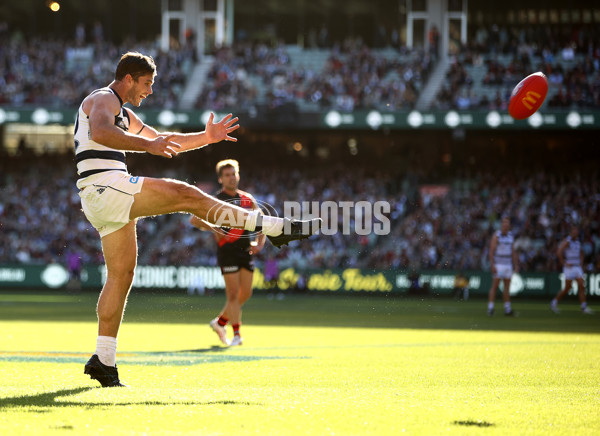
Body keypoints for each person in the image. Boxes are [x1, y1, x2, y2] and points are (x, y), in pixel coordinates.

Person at [77, 52, 321, 387]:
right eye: (146, 84)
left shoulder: (124, 112)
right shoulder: (104, 98)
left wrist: (206, 138)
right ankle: (273, 227)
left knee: (121, 276)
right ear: (129, 78)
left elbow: (164, 141)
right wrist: (147, 148)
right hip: (105, 186)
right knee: (186, 195)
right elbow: (101, 132)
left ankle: (103, 361)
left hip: (101, 197)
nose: (148, 92)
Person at [190, 159, 265, 346]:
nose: (232, 178)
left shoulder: (247, 199)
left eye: (234, 174)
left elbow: (262, 221)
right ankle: (237, 334)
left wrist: (259, 244)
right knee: (232, 294)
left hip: (246, 250)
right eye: (227, 175)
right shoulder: (215, 200)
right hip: (227, 251)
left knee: (245, 294)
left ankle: (220, 322)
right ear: (220, 179)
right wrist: (214, 228)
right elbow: (194, 219)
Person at [550, 226, 594, 315]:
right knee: (567, 288)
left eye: (577, 231)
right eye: (574, 232)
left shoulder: (578, 241)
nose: (576, 233)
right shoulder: (568, 241)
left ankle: (583, 307)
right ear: (571, 232)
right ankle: (554, 302)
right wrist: (564, 263)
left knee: (582, 285)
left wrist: (581, 262)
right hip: (569, 268)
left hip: (577, 267)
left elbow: (581, 252)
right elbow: (559, 252)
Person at [487, 217, 518, 316]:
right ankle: (490, 307)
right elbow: (491, 251)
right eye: (504, 224)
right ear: (501, 225)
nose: (505, 226)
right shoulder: (497, 235)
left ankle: (507, 309)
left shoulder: (510, 236)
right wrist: (492, 264)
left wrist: (516, 265)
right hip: (499, 264)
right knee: (495, 286)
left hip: (508, 264)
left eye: (507, 224)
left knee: (507, 287)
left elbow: (513, 252)